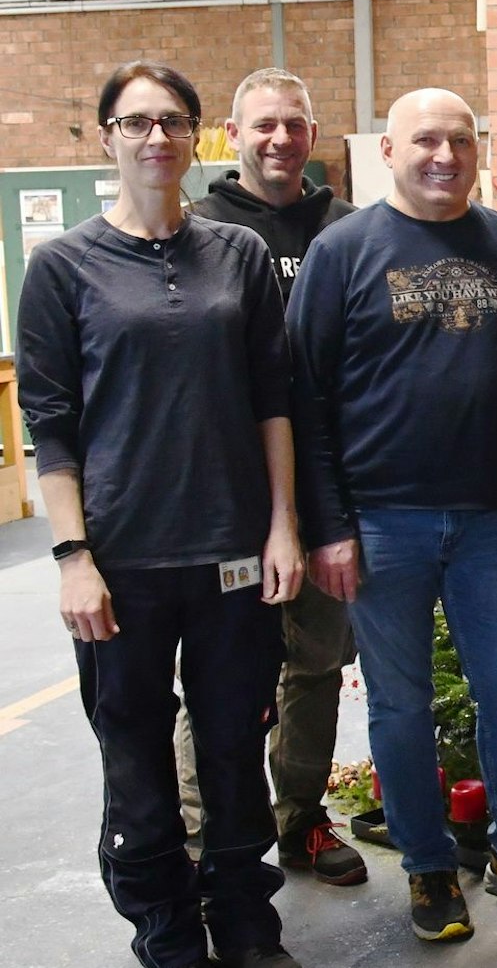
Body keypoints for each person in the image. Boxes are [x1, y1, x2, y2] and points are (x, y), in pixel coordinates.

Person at [288, 88, 497, 941]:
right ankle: (427, 868)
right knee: (399, 707)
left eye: (461, 140)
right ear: (388, 149)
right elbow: (305, 401)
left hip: (493, 521)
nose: (445, 156)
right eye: (426, 139)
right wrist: (329, 524)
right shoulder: (341, 252)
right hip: (382, 525)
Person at [18, 60, 305, 968]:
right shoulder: (61, 266)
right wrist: (72, 556)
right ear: (105, 137)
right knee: (138, 761)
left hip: (231, 555)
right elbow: (51, 426)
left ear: (196, 137)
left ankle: (246, 919)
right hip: (121, 560)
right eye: (135, 122)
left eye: (173, 121)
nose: (155, 138)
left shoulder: (240, 257)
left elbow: (274, 401)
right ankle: (166, 927)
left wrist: (282, 524)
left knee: (232, 745)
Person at [175, 68, 364, 887]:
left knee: (316, 663)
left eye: (294, 124)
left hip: (328, 489)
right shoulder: (199, 230)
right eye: (263, 125)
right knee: (219, 673)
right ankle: (202, 837)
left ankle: (303, 819)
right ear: (233, 133)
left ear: (313, 137)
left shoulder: (352, 230)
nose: (280, 139)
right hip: (227, 496)